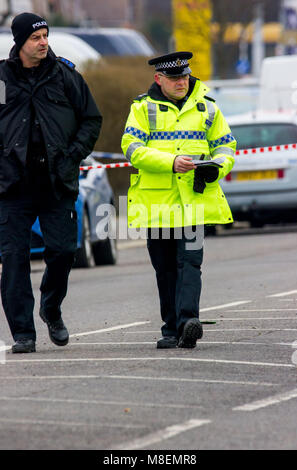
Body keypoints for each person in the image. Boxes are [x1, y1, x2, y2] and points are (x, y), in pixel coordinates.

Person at [0, 13, 102, 353]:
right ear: (20, 42)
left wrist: (73, 154)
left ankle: (51, 308)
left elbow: (91, 118)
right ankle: (23, 334)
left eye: (45, 35)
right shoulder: (2, 78)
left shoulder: (65, 76)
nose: (43, 42)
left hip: (57, 181)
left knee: (63, 251)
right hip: (12, 187)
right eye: (35, 37)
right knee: (14, 259)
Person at [121, 52, 236, 349]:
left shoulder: (208, 108)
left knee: (191, 263)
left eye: (184, 77)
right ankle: (170, 328)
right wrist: (171, 162)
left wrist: (217, 167)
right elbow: (131, 149)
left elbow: (226, 147)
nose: (181, 82)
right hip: (157, 206)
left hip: (194, 204)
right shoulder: (142, 109)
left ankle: (188, 322)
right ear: (159, 79)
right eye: (174, 78)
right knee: (165, 268)